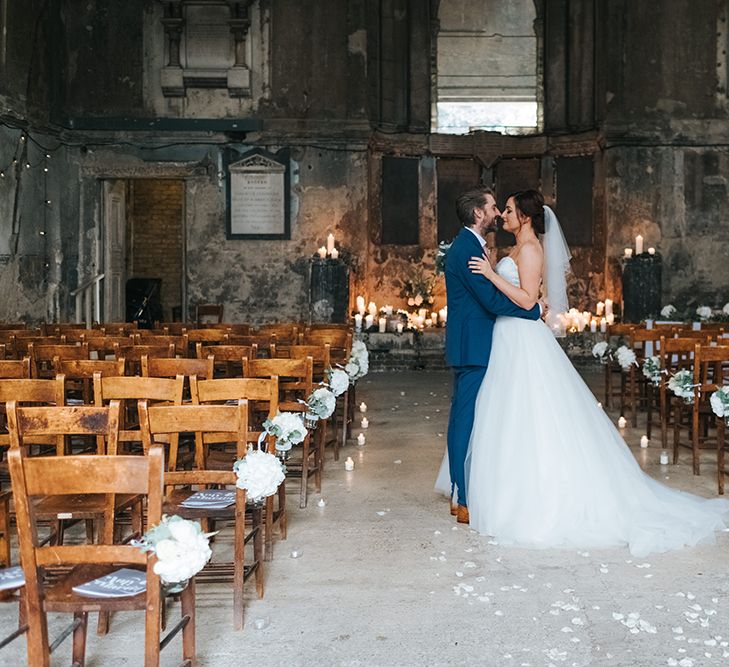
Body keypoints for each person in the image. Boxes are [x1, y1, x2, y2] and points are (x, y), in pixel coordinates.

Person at [462, 189, 729, 556]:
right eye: (502, 209)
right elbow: (532, 299)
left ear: (524, 216)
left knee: (530, 410)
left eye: (508, 210)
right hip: (510, 336)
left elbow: (525, 300)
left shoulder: (529, 250)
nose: (503, 215)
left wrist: (492, 275)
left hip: (521, 335)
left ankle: (535, 500)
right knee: (513, 412)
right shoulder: (518, 248)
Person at [438, 188, 542, 524]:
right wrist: (534, 309)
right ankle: (463, 496)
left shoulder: (475, 246)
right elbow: (491, 302)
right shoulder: (467, 249)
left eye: (504, 208)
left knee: (474, 417)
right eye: (494, 207)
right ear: (478, 213)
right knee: (464, 420)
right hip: (474, 345)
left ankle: (465, 491)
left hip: (483, 342)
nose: (498, 213)